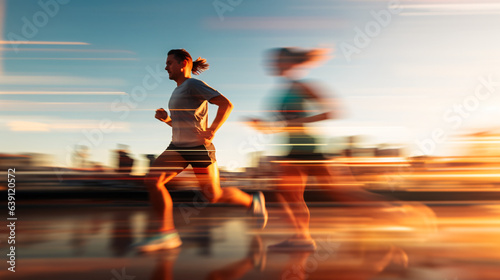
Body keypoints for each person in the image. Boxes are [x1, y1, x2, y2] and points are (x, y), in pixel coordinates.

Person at [138, 49, 268, 252]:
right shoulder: (178, 90)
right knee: (152, 180)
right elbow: (184, 124)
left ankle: (252, 201)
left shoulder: (193, 85)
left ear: (184, 63)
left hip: (199, 149)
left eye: (169, 62)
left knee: (213, 196)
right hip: (178, 147)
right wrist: (167, 120)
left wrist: (212, 130)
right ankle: (166, 233)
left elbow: (226, 104)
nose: (165, 67)